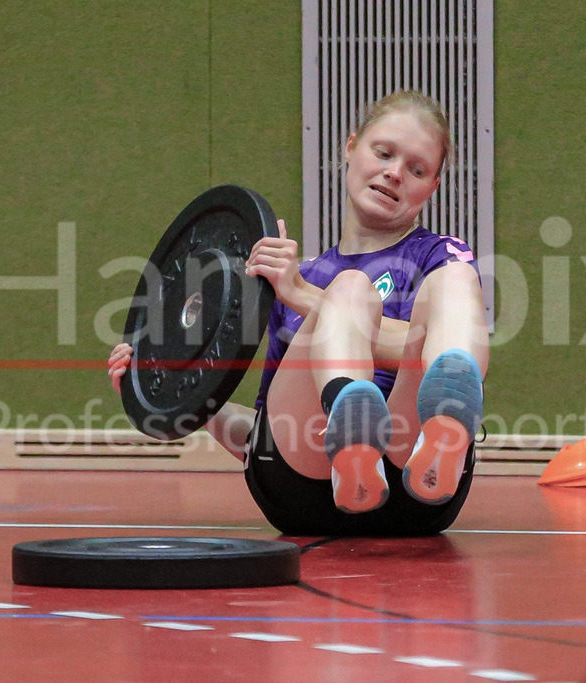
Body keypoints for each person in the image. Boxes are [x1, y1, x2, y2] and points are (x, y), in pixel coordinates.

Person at [108, 90, 489, 536]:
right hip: (301, 483)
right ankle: (351, 438)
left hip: (417, 485)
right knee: (350, 288)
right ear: (351, 147)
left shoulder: (438, 258)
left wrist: (305, 296)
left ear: (433, 186)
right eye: (383, 152)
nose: (394, 173)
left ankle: (441, 428)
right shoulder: (301, 275)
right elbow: (268, 433)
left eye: (417, 169)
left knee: (455, 280)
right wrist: (181, 393)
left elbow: (419, 354)